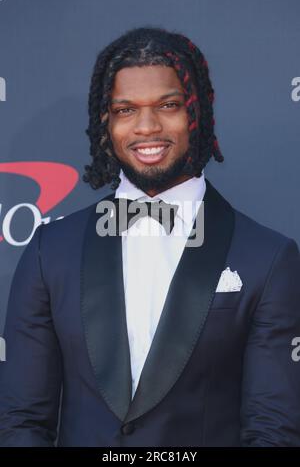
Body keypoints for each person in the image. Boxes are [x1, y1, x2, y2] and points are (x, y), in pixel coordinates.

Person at [0, 26, 300, 447]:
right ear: (105, 120)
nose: (146, 126)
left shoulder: (268, 259)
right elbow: (22, 421)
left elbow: (273, 429)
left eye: (168, 105)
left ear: (197, 113)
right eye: (125, 110)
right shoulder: (51, 252)